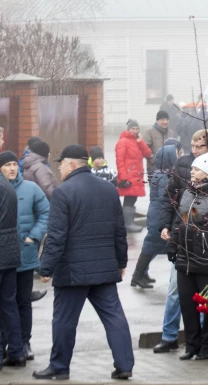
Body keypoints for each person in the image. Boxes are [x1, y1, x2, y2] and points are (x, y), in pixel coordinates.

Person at [33, 144, 134, 380]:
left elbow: (56, 235)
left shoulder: (63, 192)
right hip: (104, 268)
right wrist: (121, 262)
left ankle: (59, 367)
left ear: (71, 164)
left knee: (64, 321)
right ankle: (125, 365)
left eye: (61, 164)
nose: (58, 168)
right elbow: (120, 230)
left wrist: (45, 268)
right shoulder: (109, 189)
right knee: (114, 317)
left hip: (72, 271)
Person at [154, 129, 208, 353]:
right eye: (192, 146)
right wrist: (166, 228)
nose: (193, 151)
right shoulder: (184, 171)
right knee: (178, 295)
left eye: (199, 147)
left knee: (207, 300)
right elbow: (173, 204)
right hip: (184, 249)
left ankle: (207, 344)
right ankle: (177, 339)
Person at [168, 151, 208, 361]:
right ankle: (191, 345)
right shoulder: (188, 192)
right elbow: (179, 222)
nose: (191, 171)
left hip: (207, 259)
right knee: (187, 305)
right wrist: (173, 245)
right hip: (185, 258)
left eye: (196, 168)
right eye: (191, 168)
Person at [0, 152, 49, 362]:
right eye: (7, 165)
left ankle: (23, 342)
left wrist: (34, 236)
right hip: (5, 257)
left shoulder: (31, 188)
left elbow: (46, 213)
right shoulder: (3, 189)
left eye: (14, 164)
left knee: (23, 302)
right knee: (7, 303)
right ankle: (7, 346)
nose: (12, 168)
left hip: (24, 255)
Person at [131, 143, 181, 289]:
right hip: (159, 215)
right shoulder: (165, 176)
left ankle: (142, 275)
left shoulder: (159, 173)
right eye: (176, 154)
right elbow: (164, 197)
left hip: (156, 213)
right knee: (150, 245)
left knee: (152, 246)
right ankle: (137, 277)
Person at [0, 152, 26, 370]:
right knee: (8, 304)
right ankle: (17, 351)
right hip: (9, 251)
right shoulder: (9, 188)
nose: (12, 168)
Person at [115, 119, 152, 233]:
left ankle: (129, 223)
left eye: (137, 129)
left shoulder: (137, 141)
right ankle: (128, 224)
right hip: (129, 176)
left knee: (132, 199)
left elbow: (148, 153)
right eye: (133, 129)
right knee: (129, 200)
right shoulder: (123, 142)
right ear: (128, 129)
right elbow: (119, 161)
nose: (135, 131)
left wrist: (140, 141)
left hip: (137, 176)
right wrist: (123, 178)